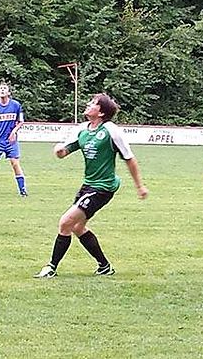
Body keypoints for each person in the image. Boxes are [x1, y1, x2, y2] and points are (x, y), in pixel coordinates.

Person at [34, 93, 148, 278]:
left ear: (101, 112)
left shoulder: (111, 130)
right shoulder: (83, 129)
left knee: (65, 222)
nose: (88, 105)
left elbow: (129, 158)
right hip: (88, 186)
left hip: (103, 187)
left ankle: (51, 268)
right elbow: (65, 152)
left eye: (93, 103)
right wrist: (59, 150)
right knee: (77, 227)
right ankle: (104, 267)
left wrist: (139, 186)